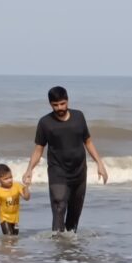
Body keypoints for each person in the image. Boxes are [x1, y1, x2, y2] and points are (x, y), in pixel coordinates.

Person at [24, 86, 109, 231]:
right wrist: (29, 169)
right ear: (50, 104)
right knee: (59, 205)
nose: (59, 108)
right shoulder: (45, 123)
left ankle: (69, 250)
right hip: (58, 171)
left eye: (62, 103)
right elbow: (39, 149)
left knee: (74, 214)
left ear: (67, 101)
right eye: (55, 105)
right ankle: (57, 243)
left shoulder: (79, 117)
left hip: (79, 171)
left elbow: (88, 141)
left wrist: (99, 163)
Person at [0, 163, 25, 236]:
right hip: (4, 219)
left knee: (15, 237)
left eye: (10, 177)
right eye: (6, 179)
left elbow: (26, 197)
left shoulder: (17, 186)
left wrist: (26, 187)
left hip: (15, 219)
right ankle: (6, 247)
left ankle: (5, 247)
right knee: (9, 237)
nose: (9, 180)